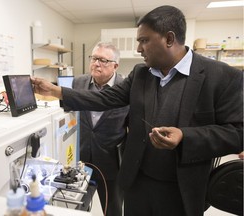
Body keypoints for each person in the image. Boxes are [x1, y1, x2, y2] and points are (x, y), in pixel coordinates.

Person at [31, 5, 243, 216]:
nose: (139, 48)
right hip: (137, 183)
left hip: (182, 188)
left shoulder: (221, 77)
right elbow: (106, 97)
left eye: (144, 40)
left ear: (169, 39)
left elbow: (237, 133)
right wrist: (57, 91)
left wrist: (185, 136)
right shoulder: (141, 73)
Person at [72, 41, 129, 216]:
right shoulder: (78, 82)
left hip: (111, 163)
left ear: (115, 65)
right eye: (94, 58)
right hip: (82, 160)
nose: (96, 63)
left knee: (112, 209)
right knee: (77, 207)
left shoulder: (126, 88)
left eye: (103, 60)